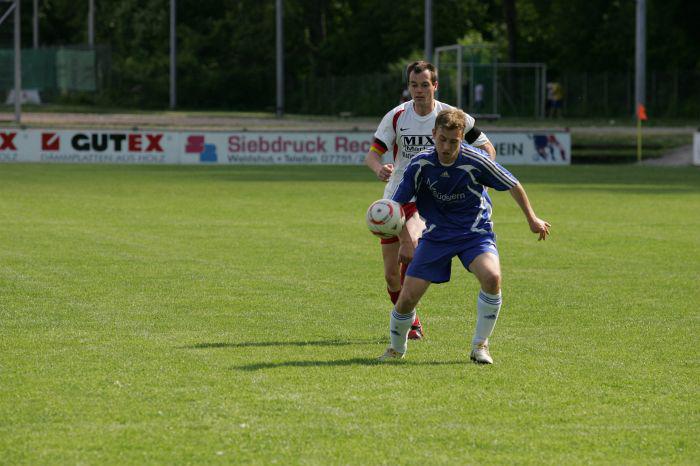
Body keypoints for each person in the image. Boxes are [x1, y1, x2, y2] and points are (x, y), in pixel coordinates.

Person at [377, 108, 551, 364]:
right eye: (442, 140)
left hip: (474, 233)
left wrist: (532, 218)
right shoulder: (421, 164)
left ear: (461, 138)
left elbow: (512, 183)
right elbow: (398, 204)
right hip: (436, 235)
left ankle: (480, 346)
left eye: (454, 141)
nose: (446, 147)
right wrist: (402, 237)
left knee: (492, 278)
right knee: (406, 299)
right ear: (434, 134)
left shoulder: (476, 159)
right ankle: (395, 349)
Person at [365, 60, 497, 340]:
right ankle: (409, 320)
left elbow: (486, 147)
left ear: (435, 86)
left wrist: (480, 174)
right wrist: (380, 169)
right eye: (414, 85)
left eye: (425, 85)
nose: (419, 90)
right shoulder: (397, 116)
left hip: (429, 198)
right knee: (390, 276)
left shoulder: (450, 116)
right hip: (396, 197)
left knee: (411, 246)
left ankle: (404, 323)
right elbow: (373, 154)